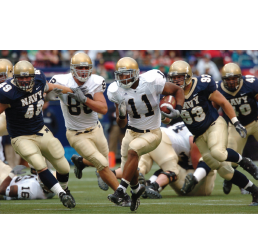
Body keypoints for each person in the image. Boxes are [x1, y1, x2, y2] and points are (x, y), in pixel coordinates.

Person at [163, 60, 258, 206]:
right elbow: (165, 120)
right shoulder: (170, 94)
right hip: (198, 136)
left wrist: (235, 122)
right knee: (224, 171)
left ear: (188, 76)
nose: (176, 80)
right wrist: (168, 117)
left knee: (218, 152)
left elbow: (223, 102)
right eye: (174, 77)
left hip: (214, 125)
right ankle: (255, 191)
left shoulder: (201, 85)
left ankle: (244, 161)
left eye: (180, 77)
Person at [48, 52, 131, 206]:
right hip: (76, 133)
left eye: (86, 68)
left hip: (95, 129)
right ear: (72, 69)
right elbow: (47, 89)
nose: (84, 71)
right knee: (102, 163)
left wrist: (84, 99)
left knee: (104, 161)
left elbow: (103, 109)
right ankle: (120, 195)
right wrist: (63, 90)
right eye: (80, 68)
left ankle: (81, 162)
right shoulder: (62, 80)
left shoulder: (95, 81)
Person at [107, 57, 185, 211]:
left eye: (126, 74)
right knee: (128, 166)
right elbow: (121, 124)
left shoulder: (150, 82)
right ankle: (136, 190)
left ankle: (120, 190)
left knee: (133, 150)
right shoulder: (116, 90)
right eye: (120, 75)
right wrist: (121, 115)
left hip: (152, 132)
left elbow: (178, 90)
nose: (122, 78)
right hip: (131, 131)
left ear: (135, 73)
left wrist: (179, 110)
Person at [0, 60, 77, 209]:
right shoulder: (7, 92)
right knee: (39, 165)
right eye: (20, 78)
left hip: (40, 130)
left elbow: (51, 87)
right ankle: (62, 194)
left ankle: (65, 189)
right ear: (14, 77)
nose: (24, 81)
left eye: (27, 77)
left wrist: (71, 90)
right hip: (21, 136)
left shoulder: (39, 79)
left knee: (64, 166)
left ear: (32, 77)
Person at [112, 122, 216, 198]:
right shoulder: (197, 133)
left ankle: (111, 174)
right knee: (172, 171)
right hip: (161, 140)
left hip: (151, 135)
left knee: (139, 168)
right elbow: (195, 162)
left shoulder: (185, 124)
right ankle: (154, 186)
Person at [213, 63, 258, 195]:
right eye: (228, 79)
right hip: (236, 126)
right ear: (223, 79)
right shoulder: (218, 89)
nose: (231, 82)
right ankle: (232, 180)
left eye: (233, 78)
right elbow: (214, 110)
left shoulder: (250, 84)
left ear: (240, 77)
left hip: (257, 121)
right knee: (231, 159)